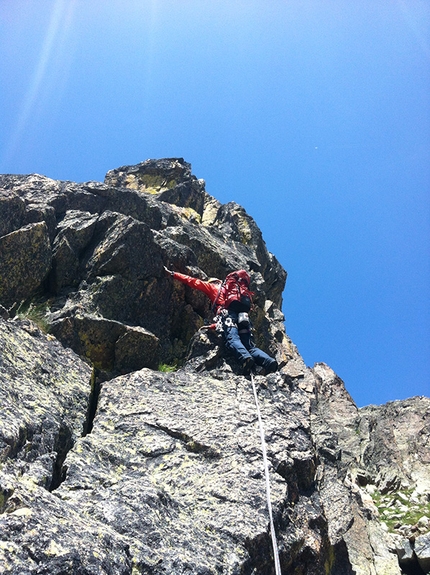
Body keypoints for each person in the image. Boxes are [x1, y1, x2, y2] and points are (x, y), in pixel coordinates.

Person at [164, 266, 278, 375]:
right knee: (249, 346)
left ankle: (245, 359)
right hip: (244, 317)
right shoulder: (237, 291)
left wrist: (173, 274)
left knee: (232, 339)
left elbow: (194, 281)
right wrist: (213, 326)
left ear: (214, 282)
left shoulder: (214, 288)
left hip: (228, 315)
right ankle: (269, 362)